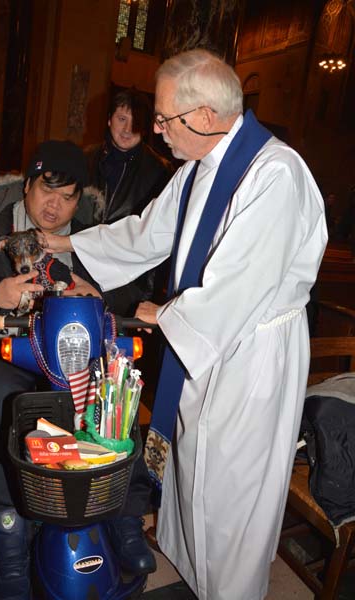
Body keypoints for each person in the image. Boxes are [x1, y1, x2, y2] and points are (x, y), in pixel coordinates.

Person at [42, 48, 328, 600]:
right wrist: (68, 242)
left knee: (231, 490)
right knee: (192, 465)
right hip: (205, 341)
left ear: (202, 117)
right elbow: (146, 234)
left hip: (251, 356)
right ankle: (197, 579)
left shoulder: (276, 173)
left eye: (164, 118)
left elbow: (244, 279)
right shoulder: (199, 169)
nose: (156, 129)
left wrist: (168, 313)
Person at [0, 140, 155, 600]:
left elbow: (132, 292)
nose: (56, 206)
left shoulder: (88, 238)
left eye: (68, 197)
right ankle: (7, 546)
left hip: (79, 348)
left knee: (119, 387)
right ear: (26, 186)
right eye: (48, 190)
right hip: (4, 345)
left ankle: (124, 514)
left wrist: (100, 295)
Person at [84, 87, 173, 315]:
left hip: (127, 286)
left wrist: (146, 297)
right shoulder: (85, 159)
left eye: (135, 122)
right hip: (81, 272)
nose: (127, 129)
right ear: (109, 120)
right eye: (121, 119)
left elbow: (159, 237)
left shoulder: (160, 171)